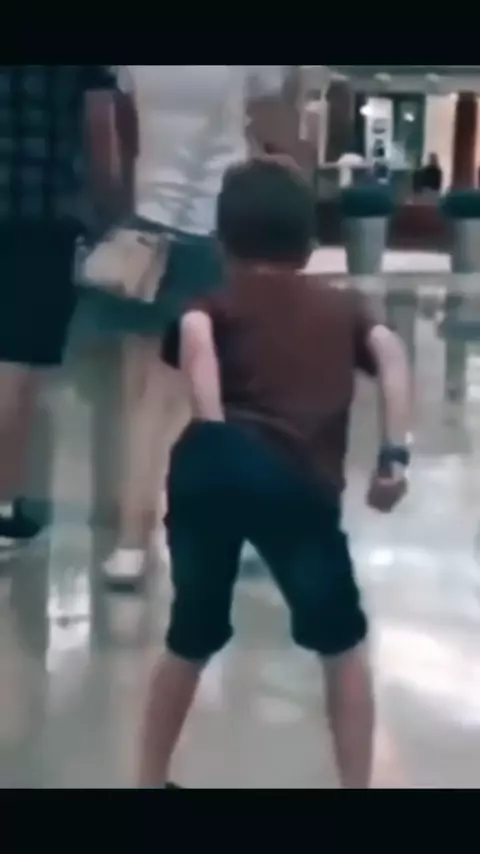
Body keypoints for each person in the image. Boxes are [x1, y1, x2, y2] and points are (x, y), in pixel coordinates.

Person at [138, 158, 412, 789]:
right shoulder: (341, 309)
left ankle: (148, 780)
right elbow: (392, 354)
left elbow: (196, 343)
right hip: (297, 482)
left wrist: (213, 425)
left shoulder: (211, 303)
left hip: (210, 470)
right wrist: (393, 455)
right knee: (340, 644)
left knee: (190, 636)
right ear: (309, 244)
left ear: (222, 242)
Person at [102, 66, 301, 586]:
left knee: (143, 399)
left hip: (150, 232)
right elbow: (280, 122)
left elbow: (123, 125)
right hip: (224, 232)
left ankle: (131, 543)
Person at [0, 66, 121, 549]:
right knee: (17, 364)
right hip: (43, 215)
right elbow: (99, 132)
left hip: (40, 213)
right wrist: (111, 213)